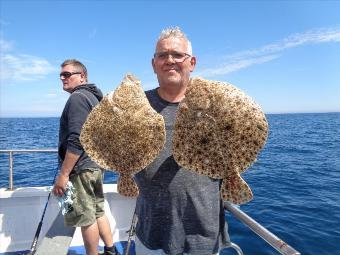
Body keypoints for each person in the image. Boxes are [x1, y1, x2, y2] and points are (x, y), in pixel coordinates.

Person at [134, 27, 230, 255]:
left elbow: (234, 150)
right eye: (162, 55)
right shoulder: (136, 104)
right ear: (153, 63)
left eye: (177, 55)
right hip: (150, 232)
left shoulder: (216, 105)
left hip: (201, 235)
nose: (169, 60)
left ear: (192, 62)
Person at [52, 59, 117, 255]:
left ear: (82, 76)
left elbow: (76, 139)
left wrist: (64, 174)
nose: (63, 78)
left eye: (67, 74)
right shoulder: (94, 98)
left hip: (81, 168)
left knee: (85, 217)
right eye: (61, 75)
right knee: (98, 210)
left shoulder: (78, 98)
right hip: (96, 165)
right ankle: (111, 249)